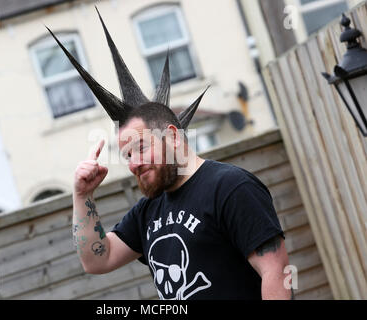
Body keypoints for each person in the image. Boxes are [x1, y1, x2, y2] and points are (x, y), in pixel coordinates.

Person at [48, 8, 293, 300]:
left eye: (140, 147)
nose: (133, 164)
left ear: (173, 137)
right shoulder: (147, 212)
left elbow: (276, 274)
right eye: (126, 156)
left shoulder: (230, 187)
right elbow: (96, 260)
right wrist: (82, 195)